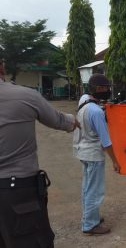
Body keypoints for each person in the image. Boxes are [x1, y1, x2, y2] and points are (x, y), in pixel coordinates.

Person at [0, 61, 79, 247]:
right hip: (18, 191)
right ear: (2, 67)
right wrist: (73, 121)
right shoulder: (26, 95)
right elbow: (58, 120)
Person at [73, 73, 121, 235]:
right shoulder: (96, 112)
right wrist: (115, 161)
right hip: (94, 155)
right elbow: (106, 142)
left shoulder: (84, 100)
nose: (108, 91)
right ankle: (90, 225)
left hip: (83, 151)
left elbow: (91, 105)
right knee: (94, 190)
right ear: (99, 89)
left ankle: (90, 217)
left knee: (87, 188)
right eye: (107, 88)